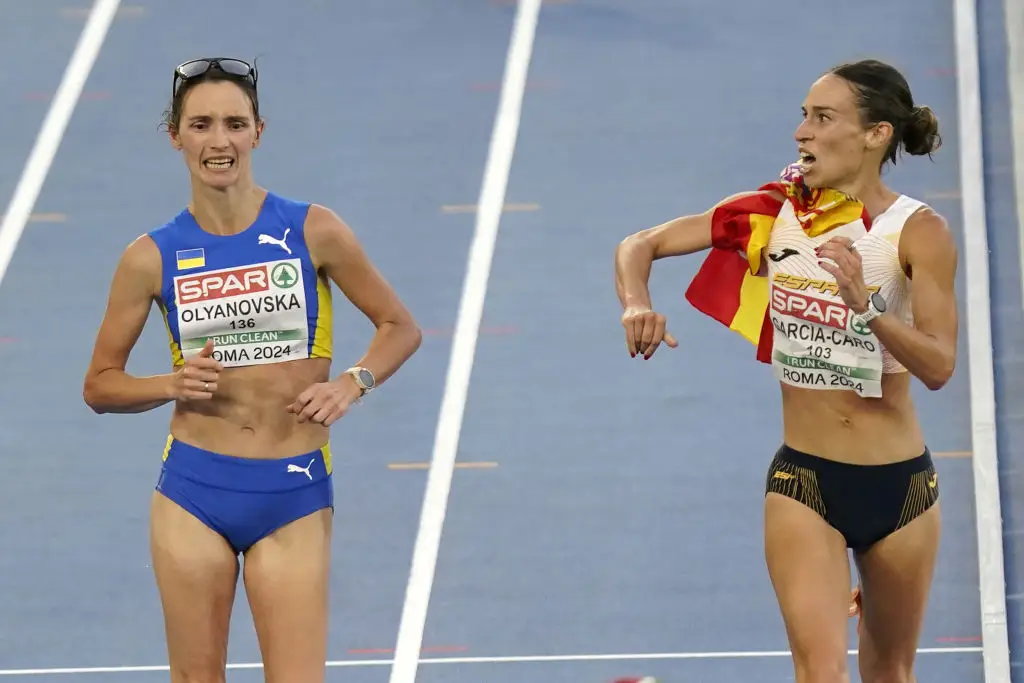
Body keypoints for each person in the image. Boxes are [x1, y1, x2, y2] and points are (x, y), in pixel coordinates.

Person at [614, 58, 956, 683]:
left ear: (876, 134)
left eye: (822, 118)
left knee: (890, 673)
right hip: (806, 482)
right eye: (803, 115)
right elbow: (641, 244)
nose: (801, 132)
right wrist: (638, 302)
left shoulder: (919, 231)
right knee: (819, 674)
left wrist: (867, 306)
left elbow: (939, 366)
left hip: (903, 488)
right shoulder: (774, 214)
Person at [82, 57, 422, 683]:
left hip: (291, 491)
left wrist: (354, 383)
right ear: (176, 136)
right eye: (202, 124)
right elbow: (100, 385)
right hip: (193, 490)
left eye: (235, 124)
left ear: (258, 133)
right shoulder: (149, 258)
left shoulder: (313, 230)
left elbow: (400, 327)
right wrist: (168, 384)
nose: (219, 141)